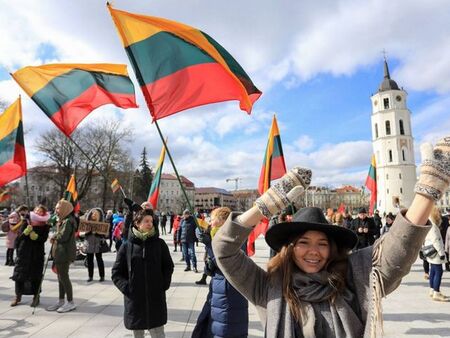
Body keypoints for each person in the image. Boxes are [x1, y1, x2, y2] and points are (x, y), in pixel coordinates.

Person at [211, 136, 450, 338]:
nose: (313, 251)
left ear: (332, 249)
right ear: (290, 249)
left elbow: (395, 252)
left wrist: (426, 193)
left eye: (322, 243)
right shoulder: (266, 287)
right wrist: (263, 208)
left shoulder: (353, 282)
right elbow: (224, 250)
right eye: (303, 242)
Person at [112, 209, 174, 338]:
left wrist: (164, 284)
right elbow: (116, 273)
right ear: (137, 223)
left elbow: (168, 266)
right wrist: (127, 288)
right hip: (135, 300)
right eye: (146, 221)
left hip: (155, 298)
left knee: (158, 333)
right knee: (138, 333)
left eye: (151, 221)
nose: (150, 223)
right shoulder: (126, 246)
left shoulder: (160, 244)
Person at [192, 207, 248, 338]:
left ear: (222, 220)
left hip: (229, 292)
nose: (210, 223)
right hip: (217, 289)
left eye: (212, 219)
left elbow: (226, 263)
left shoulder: (235, 236)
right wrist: (208, 243)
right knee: (206, 327)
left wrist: (209, 244)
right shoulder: (215, 234)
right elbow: (210, 270)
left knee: (223, 330)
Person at [10, 205, 50, 307]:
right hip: (24, 252)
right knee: (20, 275)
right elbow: (19, 238)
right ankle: (17, 296)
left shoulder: (45, 225)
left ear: (44, 213)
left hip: (36, 254)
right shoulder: (26, 221)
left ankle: (36, 297)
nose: (38, 212)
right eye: (37, 210)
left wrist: (36, 237)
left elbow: (43, 239)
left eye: (41, 211)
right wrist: (25, 232)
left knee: (35, 276)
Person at [46, 199, 77, 313]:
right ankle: (61, 300)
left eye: (58, 208)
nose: (56, 210)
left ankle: (70, 302)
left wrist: (54, 237)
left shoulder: (68, 221)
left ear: (64, 209)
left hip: (64, 253)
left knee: (64, 277)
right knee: (60, 278)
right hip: (59, 253)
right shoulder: (63, 220)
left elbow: (63, 237)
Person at [423, 205, 448, 301]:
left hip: (431, 252)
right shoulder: (433, 226)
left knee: (433, 271)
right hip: (436, 252)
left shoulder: (429, 224)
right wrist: (442, 253)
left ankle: (432, 290)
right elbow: (436, 240)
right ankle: (436, 292)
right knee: (438, 272)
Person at [84, 208, 106, 282]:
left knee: (99, 260)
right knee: (89, 260)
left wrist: (98, 232)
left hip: (98, 244)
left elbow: (106, 234)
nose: (94, 215)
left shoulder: (102, 224)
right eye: (93, 213)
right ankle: (90, 276)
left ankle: (102, 276)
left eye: (96, 214)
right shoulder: (87, 223)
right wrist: (88, 231)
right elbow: (81, 233)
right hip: (89, 243)